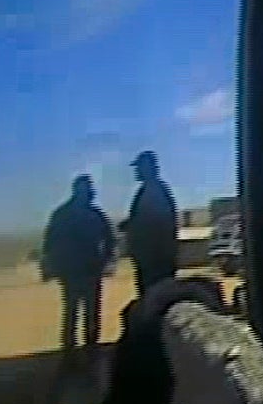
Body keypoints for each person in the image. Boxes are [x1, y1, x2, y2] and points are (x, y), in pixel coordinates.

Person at [40, 175, 117, 360]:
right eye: (89, 189)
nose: (92, 193)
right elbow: (50, 243)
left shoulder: (64, 214)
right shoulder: (90, 214)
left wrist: (105, 259)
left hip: (80, 271)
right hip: (82, 270)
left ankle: (77, 350)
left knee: (77, 312)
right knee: (82, 312)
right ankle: (81, 349)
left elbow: (49, 243)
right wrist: (105, 259)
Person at [123, 150, 179, 294]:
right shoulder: (149, 191)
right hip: (151, 259)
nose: (137, 171)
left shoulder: (154, 191)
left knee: (156, 297)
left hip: (155, 261)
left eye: (139, 167)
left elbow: (157, 226)